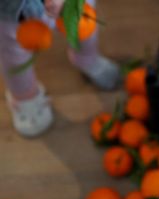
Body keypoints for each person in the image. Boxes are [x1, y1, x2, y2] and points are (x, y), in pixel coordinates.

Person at [0, 0, 120, 137]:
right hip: (10, 12)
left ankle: (87, 58)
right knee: (13, 52)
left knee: (83, 22)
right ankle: (25, 95)